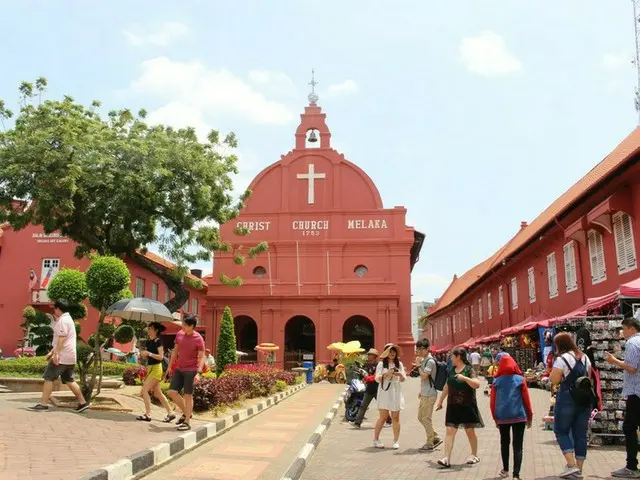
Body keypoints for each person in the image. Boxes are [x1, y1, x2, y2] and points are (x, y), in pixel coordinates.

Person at [28, 300, 91, 412]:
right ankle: (83, 402)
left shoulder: (63, 321)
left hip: (62, 356)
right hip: (70, 356)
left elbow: (61, 339)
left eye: (54, 308)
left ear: (58, 309)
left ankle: (43, 404)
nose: (54, 311)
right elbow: (61, 340)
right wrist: (51, 352)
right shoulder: (69, 319)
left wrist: (56, 355)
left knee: (49, 377)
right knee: (69, 379)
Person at [550, 332, 593, 478]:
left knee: (561, 431)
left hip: (567, 399)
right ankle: (579, 469)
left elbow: (554, 380)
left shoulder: (562, 359)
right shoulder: (586, 357)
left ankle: (571, 465)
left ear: (559, 345)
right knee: (580, 434)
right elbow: (589, 378)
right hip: (585, 400)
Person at [604, 316, 640, 478]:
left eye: (624, 328)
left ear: (632, 329)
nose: (622, 331)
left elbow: (632, 368)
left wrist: (614, 361)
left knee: (629, 427)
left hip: (636, 391)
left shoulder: (632, 343)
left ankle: (631, 466)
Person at [436, 347, 483, 468]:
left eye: (452, 356)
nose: (451, 358)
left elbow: (477, 384)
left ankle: (474, 455)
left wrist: (464, 378)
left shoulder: (468, 369)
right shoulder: (452, 369)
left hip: (467, 405)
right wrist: (440, 400)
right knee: (450, 430)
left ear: (458, 357)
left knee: (469, 431)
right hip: (453, 405)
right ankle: (446, 458)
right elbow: (447, 385)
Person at [491, 354, 533, 480]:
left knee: (504, 443)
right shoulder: (520, 380)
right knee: (518, 446)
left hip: (502, 416)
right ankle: (516, 475)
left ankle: (505, 470)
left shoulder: (496, 381)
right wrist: (529, 416)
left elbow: (492, 402)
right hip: (519, 416)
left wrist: (495, 418)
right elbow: (527, 400)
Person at [166, 315, 205, 431]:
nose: (183, 326)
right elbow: (175, 352)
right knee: (172, 392)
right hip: (179, 368)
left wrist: (199, 372)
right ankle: (187, 413)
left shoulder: (198, 338)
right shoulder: (179, 334)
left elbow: (202, 357)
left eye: (185, 325)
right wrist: (169, 367)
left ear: (192, 326)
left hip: (191, 370)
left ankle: (187, 421)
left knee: (188, 395)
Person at [136, 322, 175, 423]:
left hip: (157, 368)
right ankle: (171, 413)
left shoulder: (158, 341)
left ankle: (148, 414)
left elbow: (161, 357)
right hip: (150, 367)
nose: (148, 330)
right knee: (158, 393)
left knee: (144, 390)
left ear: (156, 330)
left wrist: (149, 353)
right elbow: (147, 356)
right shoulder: (149, 342)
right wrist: (143, 353)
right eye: (148, 328)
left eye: (150, 328)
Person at [373, 344, 406, 449]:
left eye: (394, 351)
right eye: (390, 351)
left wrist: (399, 374)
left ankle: (396, 440)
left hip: (395, 391)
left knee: (396, 417)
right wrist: (385, 375)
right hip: (384, 391)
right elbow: (376, 378)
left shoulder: (399, 364)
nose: (392, 353)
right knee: (383, 417)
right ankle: (376, 439)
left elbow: (403, 378)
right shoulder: (381, 364)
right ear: (386, 352)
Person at [416, 338, 442, 450]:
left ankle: (430, 442)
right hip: (425, 393)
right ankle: (435, 436)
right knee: (420, 417)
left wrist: (417, 366)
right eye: (418, 349)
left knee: (426, 418)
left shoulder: (430, 361)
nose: (419, 351)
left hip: (430, 394)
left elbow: (424, 376)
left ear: (427, 349)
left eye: (421, 349)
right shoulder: (425, 360)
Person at [351, 348, 380, 428]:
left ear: (374, 356)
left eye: (370, 355)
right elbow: (364, 374)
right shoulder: (367, 364)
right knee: (363, 406)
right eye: (368, 354)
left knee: (382, 406)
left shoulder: (379, 365)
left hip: (377, 389)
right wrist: (360, 374)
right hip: (369, 389)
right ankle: (357, 423)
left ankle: (388, 419)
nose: (368, 356)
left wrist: (368, 378)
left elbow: (377, 376)